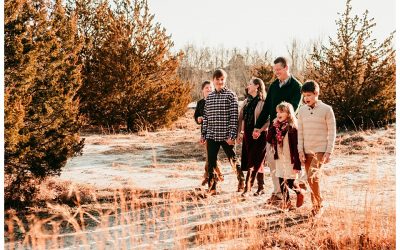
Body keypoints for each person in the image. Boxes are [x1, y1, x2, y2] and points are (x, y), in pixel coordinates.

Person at [252, 57, 302, 204]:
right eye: (274, 70)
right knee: (272, 160)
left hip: (288, 130)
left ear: (286, 68)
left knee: (287, 161)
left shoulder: (296, 86)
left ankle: (295, 187)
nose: (276, 73)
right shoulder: (274, 86)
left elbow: (295, 107)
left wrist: (283, 120)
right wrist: (258, 126)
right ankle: (278, 192)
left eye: (278, 70)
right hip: (274, 129)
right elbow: (267, 107)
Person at [201, 69, 245, 194]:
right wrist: (203, 134)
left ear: (225, 80)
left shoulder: (231, 95)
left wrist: (232, 136)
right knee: (211, 162)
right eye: (217, 79)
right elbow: (206, 117)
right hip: (212, 134)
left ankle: (241, 180)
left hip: (226, 135)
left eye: (222, 80)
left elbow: (234, 117)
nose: (220, 82)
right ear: (213, 80)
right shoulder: (210, 97)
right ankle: (212, 187)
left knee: (232, 159)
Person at [297, 80, 336, 216]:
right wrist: (300, 151)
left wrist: (329, 151)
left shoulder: (327, 109)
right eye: (304, 96)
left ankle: (319, 205)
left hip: (320, 150)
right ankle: (316, 205)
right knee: (312, 179)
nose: (306, 98)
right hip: (306, 150)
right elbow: (300, 132)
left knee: (312, 177)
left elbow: (332, 132)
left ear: (316, 93)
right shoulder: (301, 111)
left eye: (309, 95)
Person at [266, 102, 305, 209]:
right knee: (281, 180)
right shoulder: (276, 127)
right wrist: (272, 126)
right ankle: (287, 202)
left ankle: (299, 193)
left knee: (290, 182)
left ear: (288, 113)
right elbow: (268, 139)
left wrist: (297, 164)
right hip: (279, 158)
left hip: (290, 159)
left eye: (282, 111)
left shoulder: (292, 129)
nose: (278, 114)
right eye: (277, 111)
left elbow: (297, 148)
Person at [237, 77, 269, 197]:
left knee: (254, 160)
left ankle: (247, 188)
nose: (247, 86)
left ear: (257, 86)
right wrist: (240, 133)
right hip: (247, 135)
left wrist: (260, 130)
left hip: (260, 135)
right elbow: (241, 119)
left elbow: (268, 120)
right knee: (253, 160)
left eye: (250, 84)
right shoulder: (246, 101)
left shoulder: (263, 102)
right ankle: (261, 187)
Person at [194, 80, 224, 186]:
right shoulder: (200, 103)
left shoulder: (217, 100)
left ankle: (211, 175)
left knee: (211, 156)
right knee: (210, 155)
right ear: (202, 90)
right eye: (207, 87)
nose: (209, 89)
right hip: (205, 132)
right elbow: (196, 115)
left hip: (216, 131)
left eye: (211, 87)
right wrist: (198, 119)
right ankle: (214, 175)